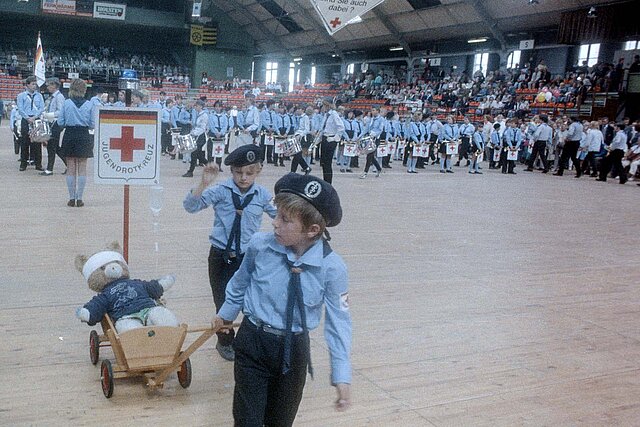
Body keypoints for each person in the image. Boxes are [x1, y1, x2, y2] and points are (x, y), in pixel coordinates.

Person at [213, 173, 352, 426]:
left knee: (280, 421)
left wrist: (341, 374)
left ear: (313, 230)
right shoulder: (259, 245)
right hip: (253, 341)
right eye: (276, 214)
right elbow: (240, 281)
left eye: (285, 220)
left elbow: (338, 322)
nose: (275, 223)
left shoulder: (332, 268)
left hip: (294, 350)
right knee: (247, 420)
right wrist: (226, 314)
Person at [183, 144, 277, 361]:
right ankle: (225, 341)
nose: (243, 178)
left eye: (249, 173)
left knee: (252, 301)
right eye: (238, 172)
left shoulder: (262, 195)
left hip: (247, 257)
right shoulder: (221, 190)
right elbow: (191, 206)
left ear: (259, 171)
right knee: (223, 300)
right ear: (232, 171)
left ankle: (249, 340)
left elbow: (279, 215)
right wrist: (203, 184)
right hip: (221, 257)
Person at [58, 79, 95, 207]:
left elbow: (60, 122)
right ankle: (80, 198)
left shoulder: (66, 103)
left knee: (71, 168)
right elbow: (92, 124)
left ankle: (71, 197)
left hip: (69, 134)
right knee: (82, 168)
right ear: (84, 90)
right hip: (84, 135)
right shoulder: (90, 104)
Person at [17, 75, 45, 171]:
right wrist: (27, 117)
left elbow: (41, 107)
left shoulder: (39, 95)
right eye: (33, 84)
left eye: (35, 84)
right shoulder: (21, 96)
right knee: (25, 142)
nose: (35, 86)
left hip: (35, 119)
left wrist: (35, 117)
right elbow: (20, 109)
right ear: (27, 85)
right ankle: (23, 163)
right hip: (26, 119)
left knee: (37, 141)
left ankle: (38, 164)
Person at [40, 77, 67, 176]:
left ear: (54, 86)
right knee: (54, 146)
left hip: (55, 124)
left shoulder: (59, 97)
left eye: (49, 85)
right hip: (51, 123)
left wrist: (49, 115)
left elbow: (60, 111)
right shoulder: (52, 97)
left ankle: (49, 169)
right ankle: (68, 164)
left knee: (52, 146)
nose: (47, 87)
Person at [318, 98, 345, 184]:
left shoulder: (334, 114)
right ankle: (325, 180)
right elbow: (323, 128)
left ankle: (328, 182)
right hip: (325, 138)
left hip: (331, 139)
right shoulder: (326, 115)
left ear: (328, 105)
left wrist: (334, 138)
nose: (323, 107)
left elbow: (341, 127)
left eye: (324, 105)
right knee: (323, 163)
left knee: (327, 163)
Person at [182, 100, 209, 177]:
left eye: (196, 106)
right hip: (197, 136)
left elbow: (202, 128)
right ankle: (210, 166)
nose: (195, 107)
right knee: (199, 155)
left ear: (200, 106)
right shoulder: (199, 114)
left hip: (200, 136)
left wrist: (193, 133)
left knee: (194, 154)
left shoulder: (204, 115)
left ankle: (190, 171)